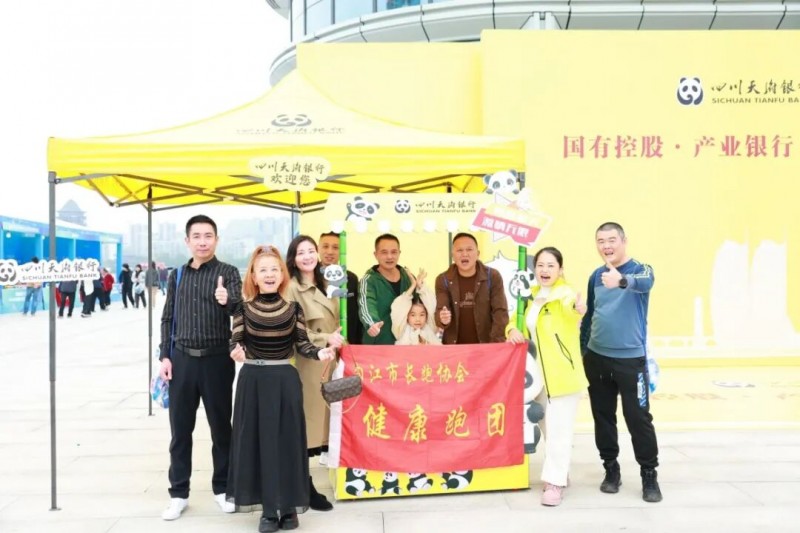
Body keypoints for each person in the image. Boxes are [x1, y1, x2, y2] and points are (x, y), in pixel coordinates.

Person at [227, 245, 338, 533]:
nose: (269, 274)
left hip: (285, 380)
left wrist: (320, 352)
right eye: (262, 270)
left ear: (282, 275)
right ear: (253, 275)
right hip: (253, 380)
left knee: (289, 443)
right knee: (259, 443)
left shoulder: (293, 308)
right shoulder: (243, 308)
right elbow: (236, 341)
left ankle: (289, 507)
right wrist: (237, 352)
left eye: (274, 269)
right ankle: (267, 510)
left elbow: (302, 344)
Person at [157, 215, 242, 520]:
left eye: (208, 236)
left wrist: (227, 299)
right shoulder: (177, 275)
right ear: (187, 241)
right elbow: (168, 317)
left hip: (217, 359)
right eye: (197, 236)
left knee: (221, 428)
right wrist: (164, 356)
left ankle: (223, 488)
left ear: (217, 240)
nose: (203, 242)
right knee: (180, 431)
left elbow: (239, 310)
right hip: (181, 360)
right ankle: (178, 494)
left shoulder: (228, 272)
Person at [579, 222, 661, 503]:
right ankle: (611, 469)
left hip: (631, 361)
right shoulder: (595, 276)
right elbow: (590, 315)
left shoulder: (640, 270)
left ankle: (649, 474)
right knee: (603, 417)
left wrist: (622, 281)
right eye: (601, 241)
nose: (606, 246)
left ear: (624, 241)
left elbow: (647, 283)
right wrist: (583, 351)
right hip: (597, 358)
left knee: (638, 418)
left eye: (611, 239)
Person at [507, 247, 588, 506]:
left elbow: (571, 308)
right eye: (540, 265)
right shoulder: (529, 296)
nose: (544, 270)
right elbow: (515, 321)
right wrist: (512, 330)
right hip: (535, 376)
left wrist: (578, 308)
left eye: (551, 265)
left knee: (559, 429)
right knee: (546, 429)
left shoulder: (565, 294)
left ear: (560, 270)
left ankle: (554, 483)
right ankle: (559, 471)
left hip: (561, 374)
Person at [284, 234, 344, 510]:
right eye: (301, 252)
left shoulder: (327, 282)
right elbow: (291, 328)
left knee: (326, 424)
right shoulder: (291, 288)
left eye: (311, 251)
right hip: (308, 362)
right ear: (293, 258)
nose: (307, 256)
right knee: (307, 427)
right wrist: (325, 338)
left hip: (332, 359)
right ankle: (303, 487)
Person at [434, 233, 509, 344]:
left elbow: (500, 312)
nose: (464, 254)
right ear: (452, 255)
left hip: (486, 345)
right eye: (459, 250)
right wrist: (443, 319)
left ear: (478, 254)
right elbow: (440, 311)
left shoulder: (492, 276)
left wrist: (495, 344)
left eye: (469, 249)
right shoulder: (443, 279)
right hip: (455, 347)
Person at [358, 234, 414, 345]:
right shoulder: (368, 280)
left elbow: (419, 306)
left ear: (399, 253)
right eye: (384, 252)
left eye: (394, 252)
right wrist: (372, 323)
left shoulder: (409, 277)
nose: (389, 257)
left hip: (406, 344)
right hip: (378, 344)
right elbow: (366, 304)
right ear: (375, 255)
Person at [319, 232, 362, 345]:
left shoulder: (351, 279)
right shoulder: (311, 276)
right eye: (325, 246)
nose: (330, 251)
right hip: (320, 342)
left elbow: (355, 315)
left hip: (346, 341)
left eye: (335, 247)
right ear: (318, 249)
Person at [391, 268, 441, 346]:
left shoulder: (430, 329)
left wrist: (420, 285)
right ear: (407, 316)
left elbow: (431, 304)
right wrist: (413, 285)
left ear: (427, 316)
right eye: (413, 315)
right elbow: (399, 307)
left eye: (422, 315)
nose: (418, 319)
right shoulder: (401, 330)